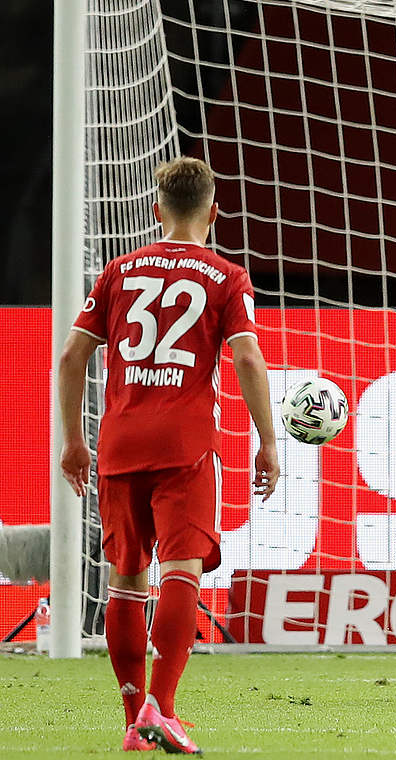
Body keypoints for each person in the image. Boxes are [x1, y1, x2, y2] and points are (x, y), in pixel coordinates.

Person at [57, 157, 279, 753]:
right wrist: (268, 440)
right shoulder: (226, 276)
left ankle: (134, 720)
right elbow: (248, 359)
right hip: (184, 443)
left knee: (125, 580)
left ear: (157, 210)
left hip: (120, 442)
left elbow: (71, 357)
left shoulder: (118, 271)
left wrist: (74, 441)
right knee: (180, 571)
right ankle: (165, 706)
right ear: (214, 210)